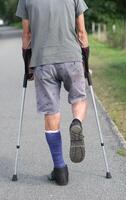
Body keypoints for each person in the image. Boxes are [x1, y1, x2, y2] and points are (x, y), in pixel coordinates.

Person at [16, 0, 89, 186]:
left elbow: (27, 35)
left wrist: (27, 67)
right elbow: (81, 32)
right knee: (79, 99)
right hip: (71, 57)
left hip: (43, 61)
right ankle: (76, 122)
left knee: (51, 112)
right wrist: (86, 61)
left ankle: (60, 170)